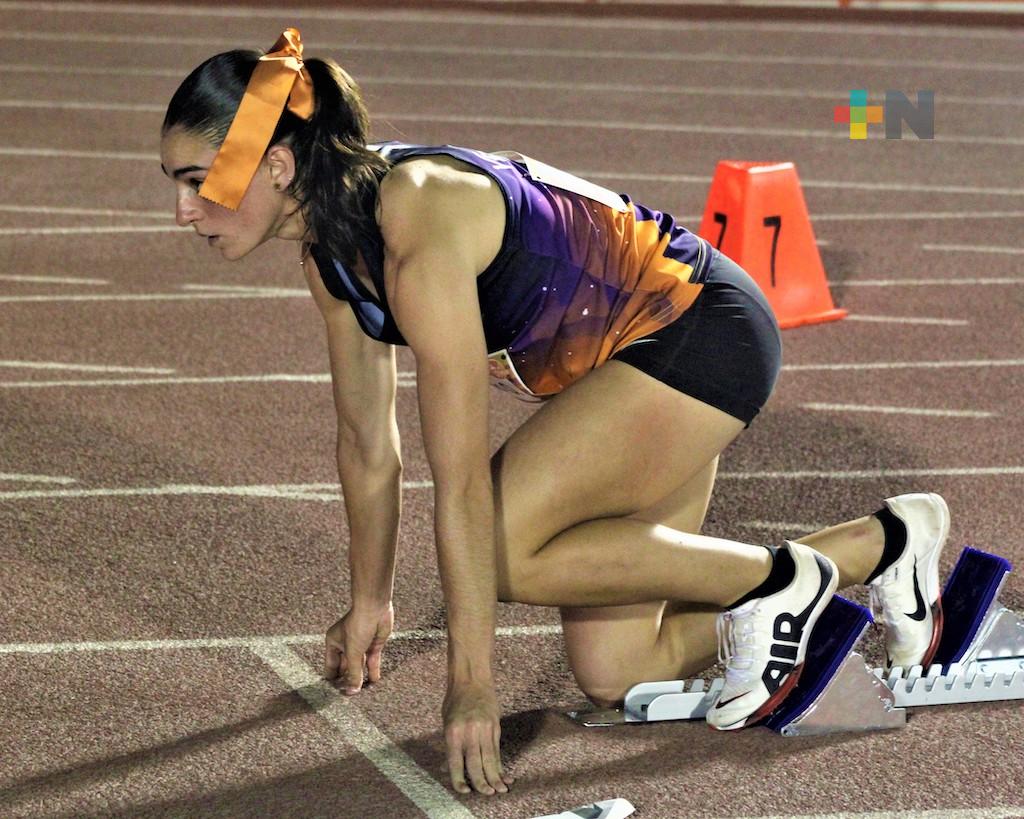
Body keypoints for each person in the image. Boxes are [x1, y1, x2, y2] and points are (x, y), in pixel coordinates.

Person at [159, 29, 948, 797]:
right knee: (621, 669)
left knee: (496, 544)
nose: (183, 210)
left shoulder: (417, 221)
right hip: (633, 365)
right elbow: (368, 445)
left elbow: (460, 478)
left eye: (196, 180)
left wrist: (472, 682)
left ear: (277, 163)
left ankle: (782, 580)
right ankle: (884, 545)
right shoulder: (332, 254)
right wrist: (371, 599)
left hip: (698, 334)